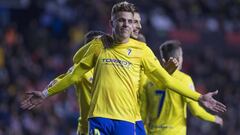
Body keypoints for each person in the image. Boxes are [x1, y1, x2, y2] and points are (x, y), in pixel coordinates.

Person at [21, 1, 226, 135]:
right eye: (121, 20)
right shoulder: (98, 45)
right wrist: (46, 93)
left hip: (126, 121)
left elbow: (165, 80)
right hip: (99, 119)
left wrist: (199, 97)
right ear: (112, 22)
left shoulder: (142, 50)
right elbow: (74, 74)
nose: (126, 25)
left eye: (129, 21)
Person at [140, 40, 223, 135]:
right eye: (182, 56)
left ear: (163, 60)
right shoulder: (185, 80)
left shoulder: (150, 79)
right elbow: (196, 111)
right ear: (179, 59)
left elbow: (143, 112)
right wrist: (214, 118)